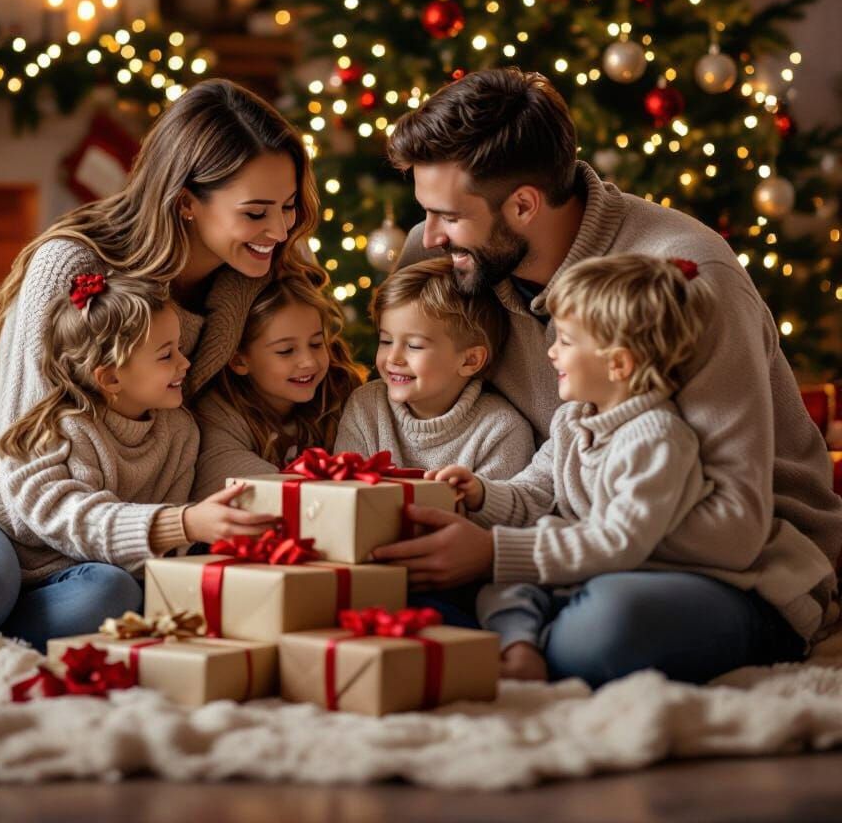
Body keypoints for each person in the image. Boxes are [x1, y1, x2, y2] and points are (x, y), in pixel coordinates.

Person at [371, 66, 842, 687]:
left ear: (522, 204)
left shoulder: (681, 277)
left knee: (599, 633)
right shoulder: (450, 254)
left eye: (448, 217)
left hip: (742, 569)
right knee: (389, 593)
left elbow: (734, 529)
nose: (427, 237)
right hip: (561, 536)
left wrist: (505, 553)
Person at [0, 79, 312, 665]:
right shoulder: (72, 265)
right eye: (256, 212)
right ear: (186, 201)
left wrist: (292, 495)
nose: (279, 231)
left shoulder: (243, 282)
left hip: (94, 541)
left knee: (110, 600)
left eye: (287, 208)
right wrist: (176, 522)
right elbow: (24, 474)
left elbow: (208, 437)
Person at [0, 273, 282, 660]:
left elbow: (149, 556)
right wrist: (182, 522)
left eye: (178, 348)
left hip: (57, 566)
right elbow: (59, 515)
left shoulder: (179, 431)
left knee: (114, 594)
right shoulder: (55, 425)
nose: (184, 363)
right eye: (166, 355)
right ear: (110, 377)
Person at [439, 253, 834, 682]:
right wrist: (480, 493)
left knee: (594, 608)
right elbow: (535, 491)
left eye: (566, 341)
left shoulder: (657, 437)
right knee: (504, 585)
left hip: (698, 583)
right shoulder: (572, 420)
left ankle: (536, 642)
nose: (551, 351)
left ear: (619, 364)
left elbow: (619, 540)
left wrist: (497, 551)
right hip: (609, 571)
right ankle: (520, 648)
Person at [334, 258, 534, 482]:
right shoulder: (366, 406)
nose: (393, 358)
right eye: (386, 341)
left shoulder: (501, 431)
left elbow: (492, 513)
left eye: (414, 346)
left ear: (470, 360)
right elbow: (345, 492)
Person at [193, 275, 364, 495]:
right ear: (239, 360)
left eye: (316, 344)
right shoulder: (218, 416)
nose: (309, 362)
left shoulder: (340, 396)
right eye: (285, 351)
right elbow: (249, 490)